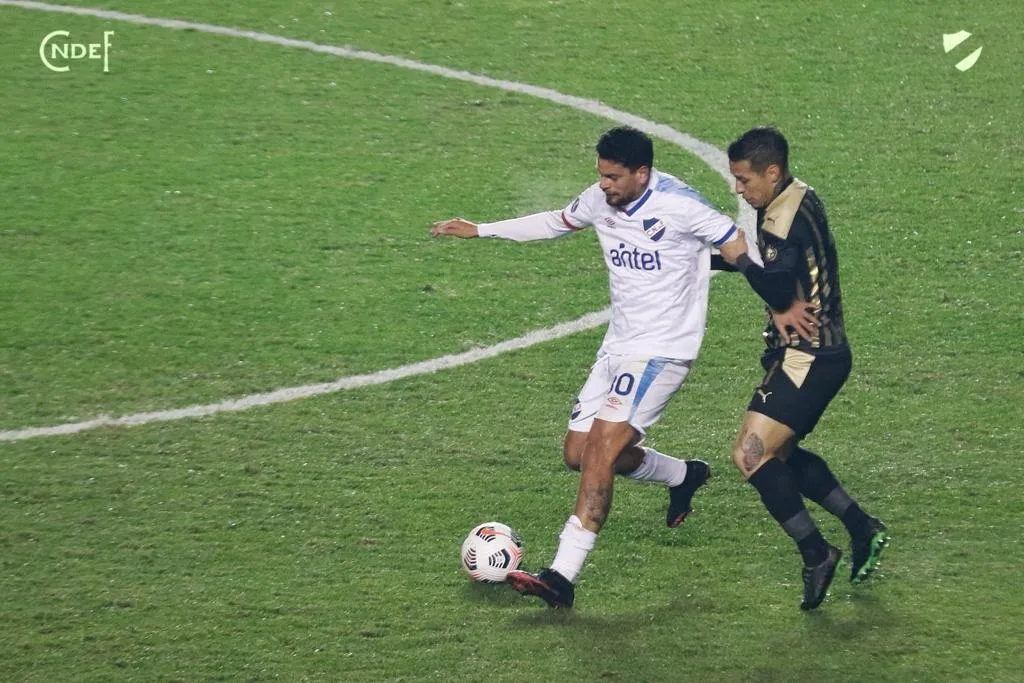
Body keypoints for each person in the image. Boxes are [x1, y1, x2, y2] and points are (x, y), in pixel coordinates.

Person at [431, 126, 753, 608]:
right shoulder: (601, 199)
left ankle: (562, 576)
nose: (604, 185)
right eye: (601, 175)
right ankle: (683, 475)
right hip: (618, 345)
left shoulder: (681, 206)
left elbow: (738, 248)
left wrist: (782, 297)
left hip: (662, 350)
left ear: (642, 173)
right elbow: (556, 221)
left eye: (613, 177)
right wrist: (481, 228)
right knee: (578, 454)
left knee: (601, 450)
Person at [716, 126, 889, 610]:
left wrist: (739, 260)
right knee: (780, 455)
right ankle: (861, 527)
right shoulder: (795, 196)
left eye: (744, 179)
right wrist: (709, 261)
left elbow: (774, 284)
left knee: (751, 455)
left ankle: (817, 553)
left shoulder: (782, 217)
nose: (739, 190)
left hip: (809, 356)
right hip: (810, 353)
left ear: (772, 172)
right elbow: (782, 271)